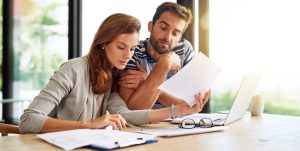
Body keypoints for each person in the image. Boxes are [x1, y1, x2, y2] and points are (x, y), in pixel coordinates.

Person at [19, 13, 208, 134]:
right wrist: (89, 124)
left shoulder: (113, 75)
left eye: (133, 49)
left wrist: (178, 111)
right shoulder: (73, 69)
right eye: (121, 47)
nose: (128, 55)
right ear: (103, 43)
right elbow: (28, 120)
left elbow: (126, 115)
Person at [119, 2, 210, 110]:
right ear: (150, 26)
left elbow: (191, 105)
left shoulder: (184, 50)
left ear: (180, 37)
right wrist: (165, 63)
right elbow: (134, 109)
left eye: (175, 33)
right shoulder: (133, 51)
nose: (168, 37)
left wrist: (147, 81)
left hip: (179, 123)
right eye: (163, 28)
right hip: (147, 125)